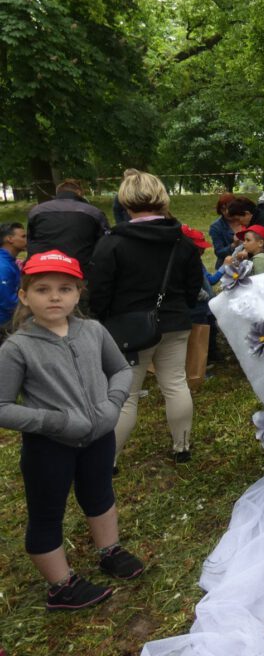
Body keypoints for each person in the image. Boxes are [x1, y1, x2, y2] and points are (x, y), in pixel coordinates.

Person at [0, 250, 143, 612]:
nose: (54, 297)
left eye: (65, 289)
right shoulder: (17, 348)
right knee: (47, 512)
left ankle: (109, 550)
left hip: (98, 437)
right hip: (49, 447)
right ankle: (60, 586)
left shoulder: (93, 330)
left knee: (100, 493)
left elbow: (122, 370)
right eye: (43, 289)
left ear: (78, 294)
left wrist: (111, 406)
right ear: (23, 295)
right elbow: (3, 407)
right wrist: (56, 421)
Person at [87, 171, 204, 464]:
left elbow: (98, 291)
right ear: (161, 198)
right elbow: (194, 288)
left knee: (126, 395)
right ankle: (182, 447)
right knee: (176, 383)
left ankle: (108, 460)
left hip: (128, 329)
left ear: (125, 201)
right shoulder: (183, 242)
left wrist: (102, 319)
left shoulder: (111, 243)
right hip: (175, 322)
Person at [26, 179, 110, 271]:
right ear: (79, 192)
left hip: (43, 267)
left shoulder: (36, 211)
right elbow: (105, 243)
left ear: (57, 193)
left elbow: (30, 240)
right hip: (80, 269)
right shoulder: (93, 212)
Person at [1, 222, 26, 333]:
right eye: (23, 236)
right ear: (10, 239)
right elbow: (8, 301)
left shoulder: (10, 261)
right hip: (4, 322)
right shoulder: (3, 266)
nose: (26, 240)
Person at [209, 193, 241, 267]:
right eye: (223, 209)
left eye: (229, 208)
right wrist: (233, 245)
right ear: (220, 210)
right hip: (227, 267)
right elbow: (219, 252)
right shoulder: (216, 227)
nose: (227, 212)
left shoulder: (244, 219)